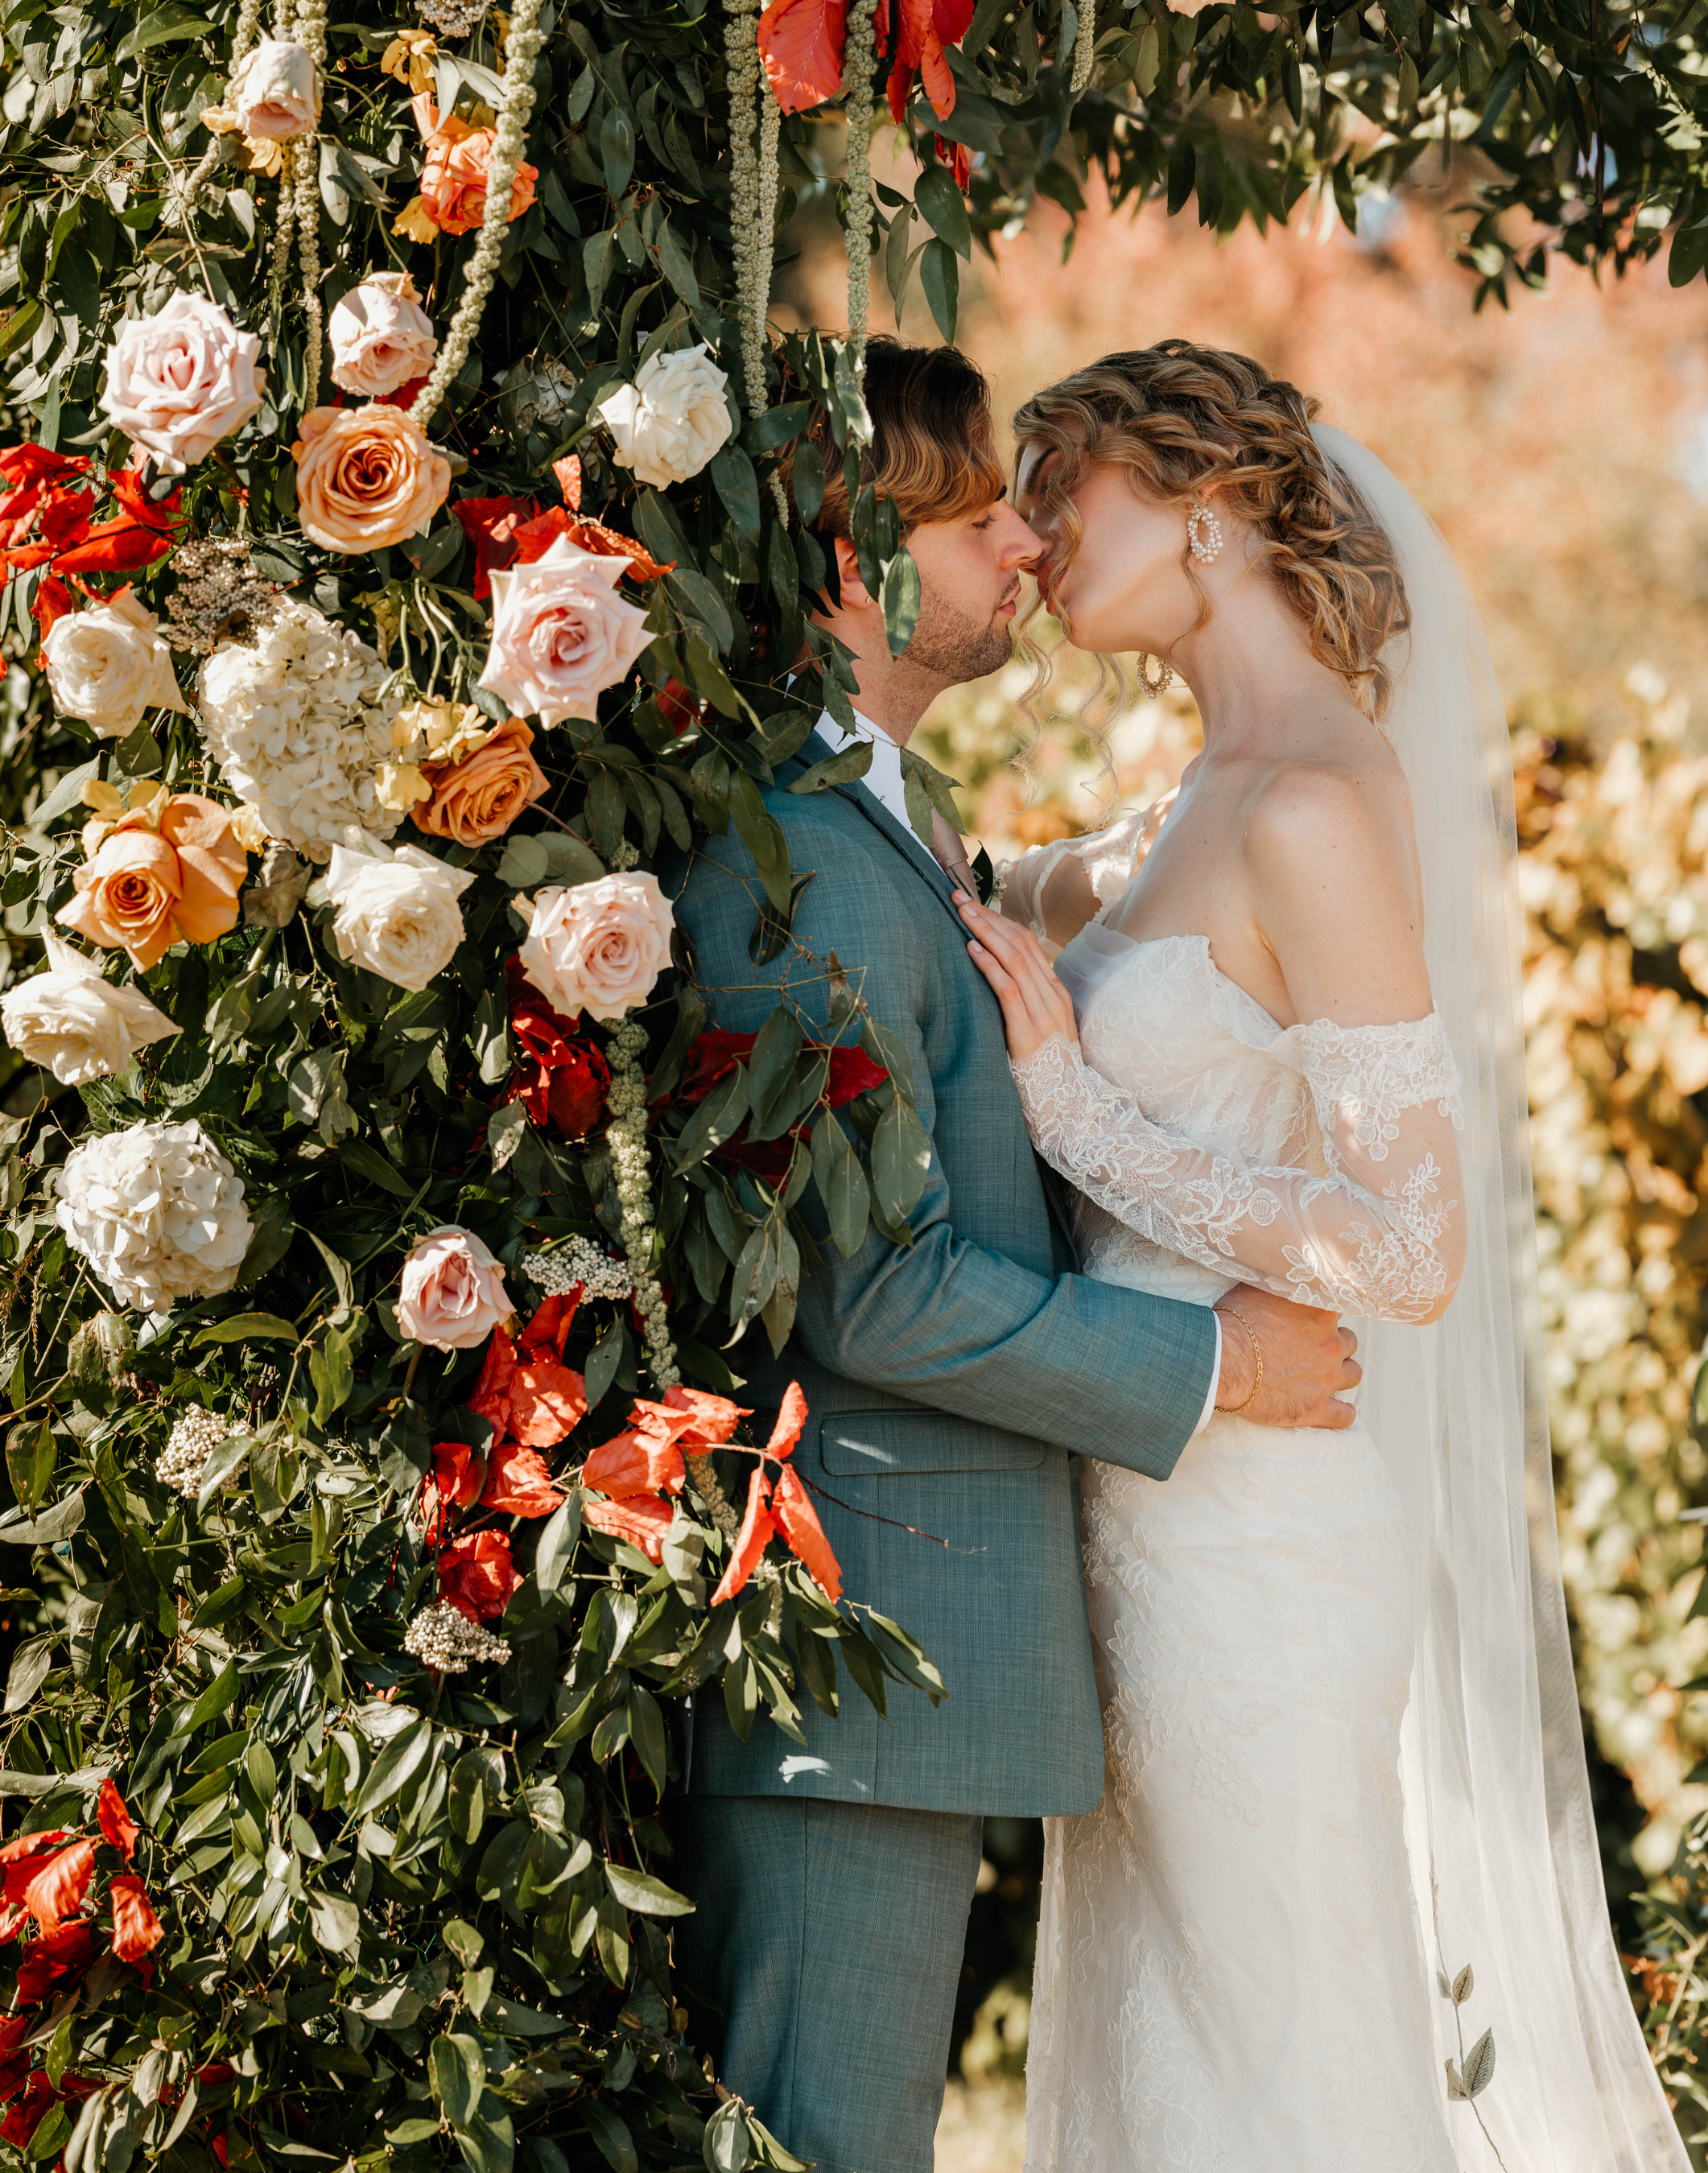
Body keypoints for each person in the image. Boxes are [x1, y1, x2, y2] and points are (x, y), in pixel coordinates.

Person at [962, 338, 1684, 2172]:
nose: (1032, 537)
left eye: (1066, 491)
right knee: (1170, 2042)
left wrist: (1079, 1116)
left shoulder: (1313, 806)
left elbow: (1414, 1245)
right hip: (1146, 1505)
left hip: (1263, 1539)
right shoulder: (1200, 795)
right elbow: (1001, 890)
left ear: (1203, 511)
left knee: (1277, 2051)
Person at [668, 336, 1360, 2173]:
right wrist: (1211, 1367)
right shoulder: (790, 871)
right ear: (844, 571)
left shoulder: (894, 835)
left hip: (913, 1668)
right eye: (976, 517)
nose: (1023, 551)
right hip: (855, 1673)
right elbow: (869, 1286)